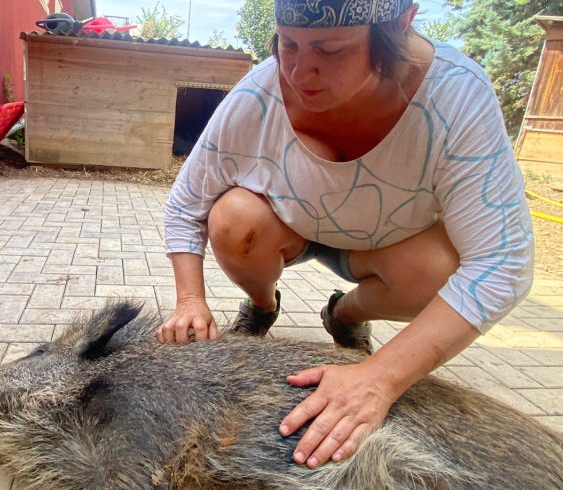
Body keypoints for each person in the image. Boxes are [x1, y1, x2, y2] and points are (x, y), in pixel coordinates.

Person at [158, 0, 534, 470]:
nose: (299, 73)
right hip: (288, 228)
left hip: (385, 245)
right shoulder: (259, 94)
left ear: (400, 25)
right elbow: (185, 204)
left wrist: (380, 378)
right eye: (288, 45)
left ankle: (345, 315)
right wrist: (190, 299)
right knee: (232, 218)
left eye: (331, 51)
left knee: (443, 269)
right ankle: (262, 304)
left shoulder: (457, 95)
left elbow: (503, 263)